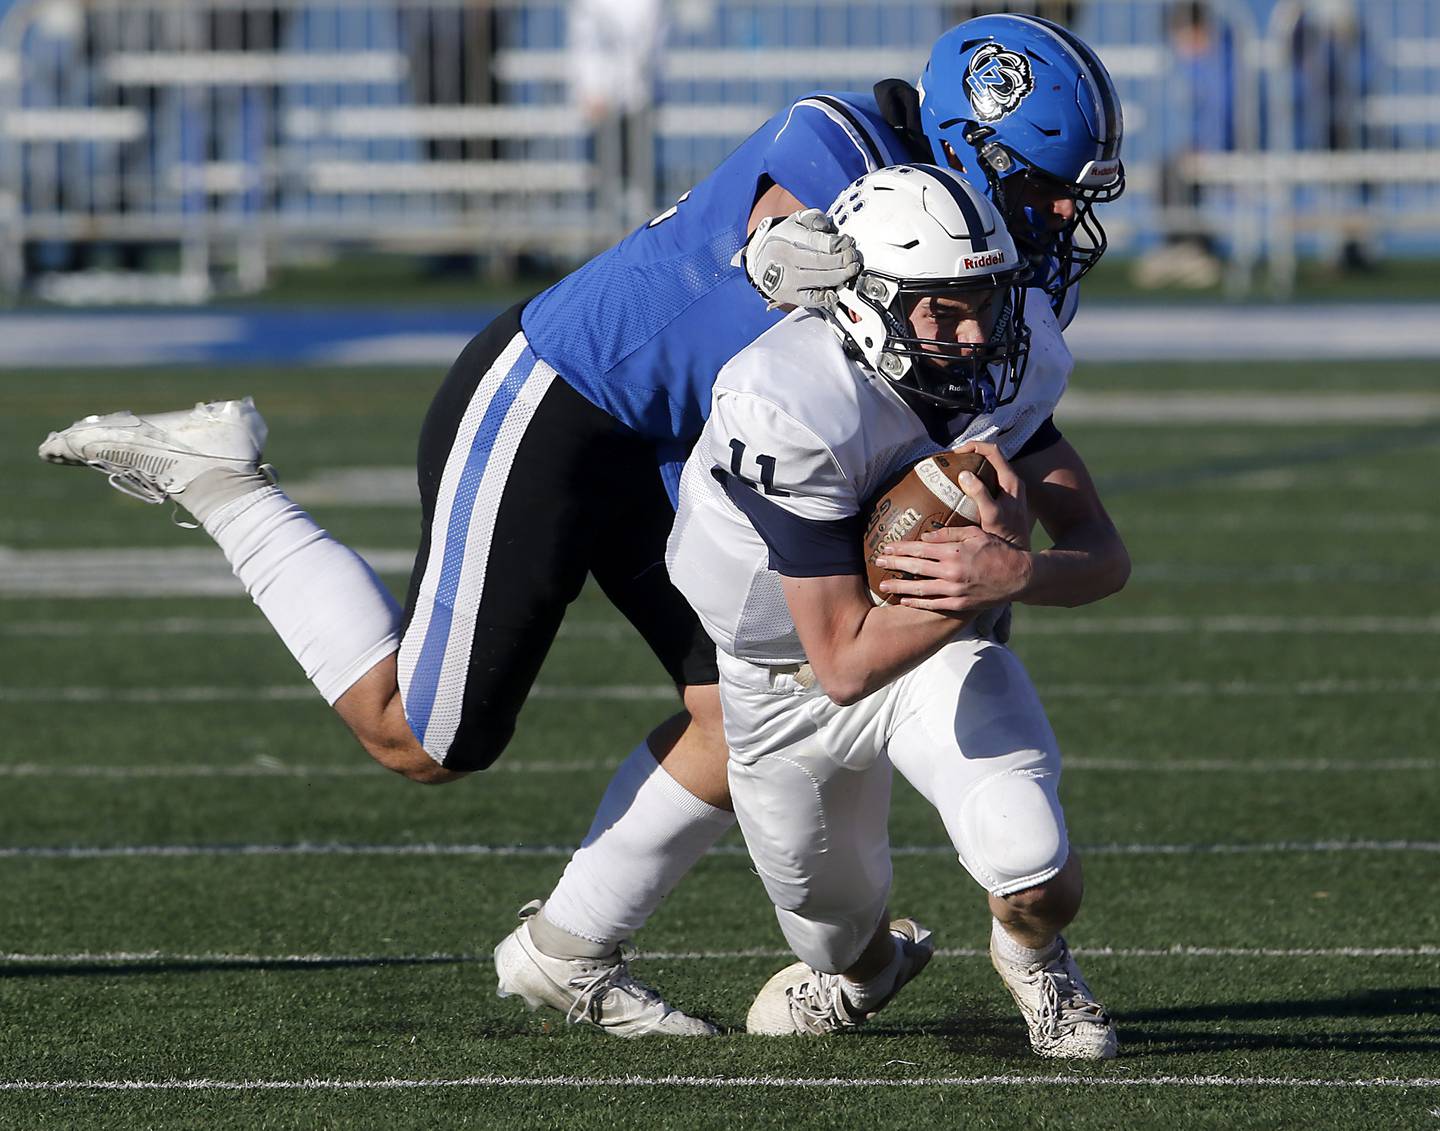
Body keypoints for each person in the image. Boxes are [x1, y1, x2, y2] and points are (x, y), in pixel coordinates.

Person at [37, 13, 1124, 1038]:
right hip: (564, 403)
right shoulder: (837, 141)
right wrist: (806, 259)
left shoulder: (993, 272)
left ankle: (568, 951)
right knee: (420, 740)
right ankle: (224, 480)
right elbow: (781, 228)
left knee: (735, 706)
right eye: (1046, 188)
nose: (1068, 218)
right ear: (960, 141)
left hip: (692, 448)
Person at [666, 163, 1128, 1056]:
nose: (975, 332)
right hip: (780, 680)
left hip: (933, 657)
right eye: (941, 308)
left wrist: (1017, 577)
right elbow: (840, 662)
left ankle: (1036, 961)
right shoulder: (787, 399)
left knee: (1033, 863)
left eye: (984, 301)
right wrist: (983, 585)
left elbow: (1104, 555)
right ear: (865, 301)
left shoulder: (1008, 355)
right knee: (831, 931)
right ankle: (870, 967)